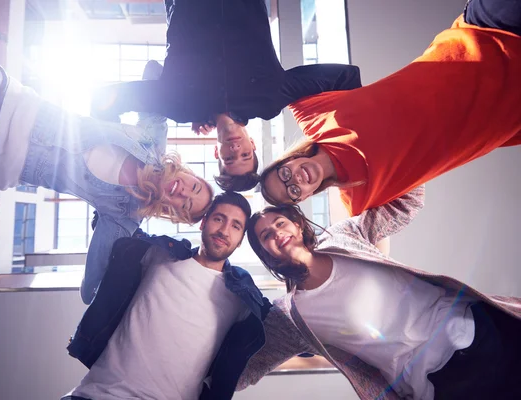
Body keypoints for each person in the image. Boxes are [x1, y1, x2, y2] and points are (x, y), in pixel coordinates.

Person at [0, 16, 213, 304]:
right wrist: (192, 109)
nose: (184, 193)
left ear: (174, 215)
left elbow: (89, 291)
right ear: (190, 174)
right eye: (195, 187)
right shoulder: (152, 139)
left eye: (186, 206)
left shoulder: (124, 219)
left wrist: (139, 264)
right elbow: (154, 71)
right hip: (0, 96)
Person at [239, 185, 521, 399]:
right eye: (266, 236)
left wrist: (331, 174)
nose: (276, 233)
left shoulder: (344, 236)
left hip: (477, 328)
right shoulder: (290, 316)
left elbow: (407, 201)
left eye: (280, 223)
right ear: (265, 252)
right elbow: (248, 367)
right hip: (440, 385)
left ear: (297, 225)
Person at [259, 0, 521, 216]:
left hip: (484, 33)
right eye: (292, 191)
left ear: (288, 160)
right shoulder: (360, 202)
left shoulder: (314, 116)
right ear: (303, 198)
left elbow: (285, 86)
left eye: (284, 174)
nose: (295, 180)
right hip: (512, 109)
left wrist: (233, 119)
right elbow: (367, 248)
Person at [90, 0, 362, 191]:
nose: (235, 150)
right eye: (245, 155)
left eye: (230, 159)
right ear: (252, 144)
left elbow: (106, 97)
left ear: (216, 151)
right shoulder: (269, 100)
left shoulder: (178, 106)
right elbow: (345, 77)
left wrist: (122, 160)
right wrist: (344, 144)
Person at [63, 192, 272, 400]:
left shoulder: (243, 299)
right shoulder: (159, 253)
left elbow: (293, 330)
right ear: (203, 223)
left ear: (240, 240)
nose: (224, 230)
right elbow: (112, 220)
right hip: (95, 394)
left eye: (235, 226)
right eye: (218, 219)